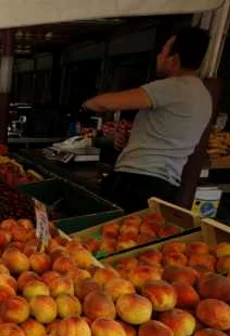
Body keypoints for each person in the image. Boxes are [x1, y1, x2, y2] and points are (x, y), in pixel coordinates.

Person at [82, 27, 212, 212]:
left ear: (174, 59)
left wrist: (85, 105)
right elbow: (168, 132)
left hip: (139, 181)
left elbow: (105, 103)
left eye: (163, 52)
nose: (158, 57)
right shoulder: (203, 95)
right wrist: (133, 139)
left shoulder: (172, 87)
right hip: (167, 186)